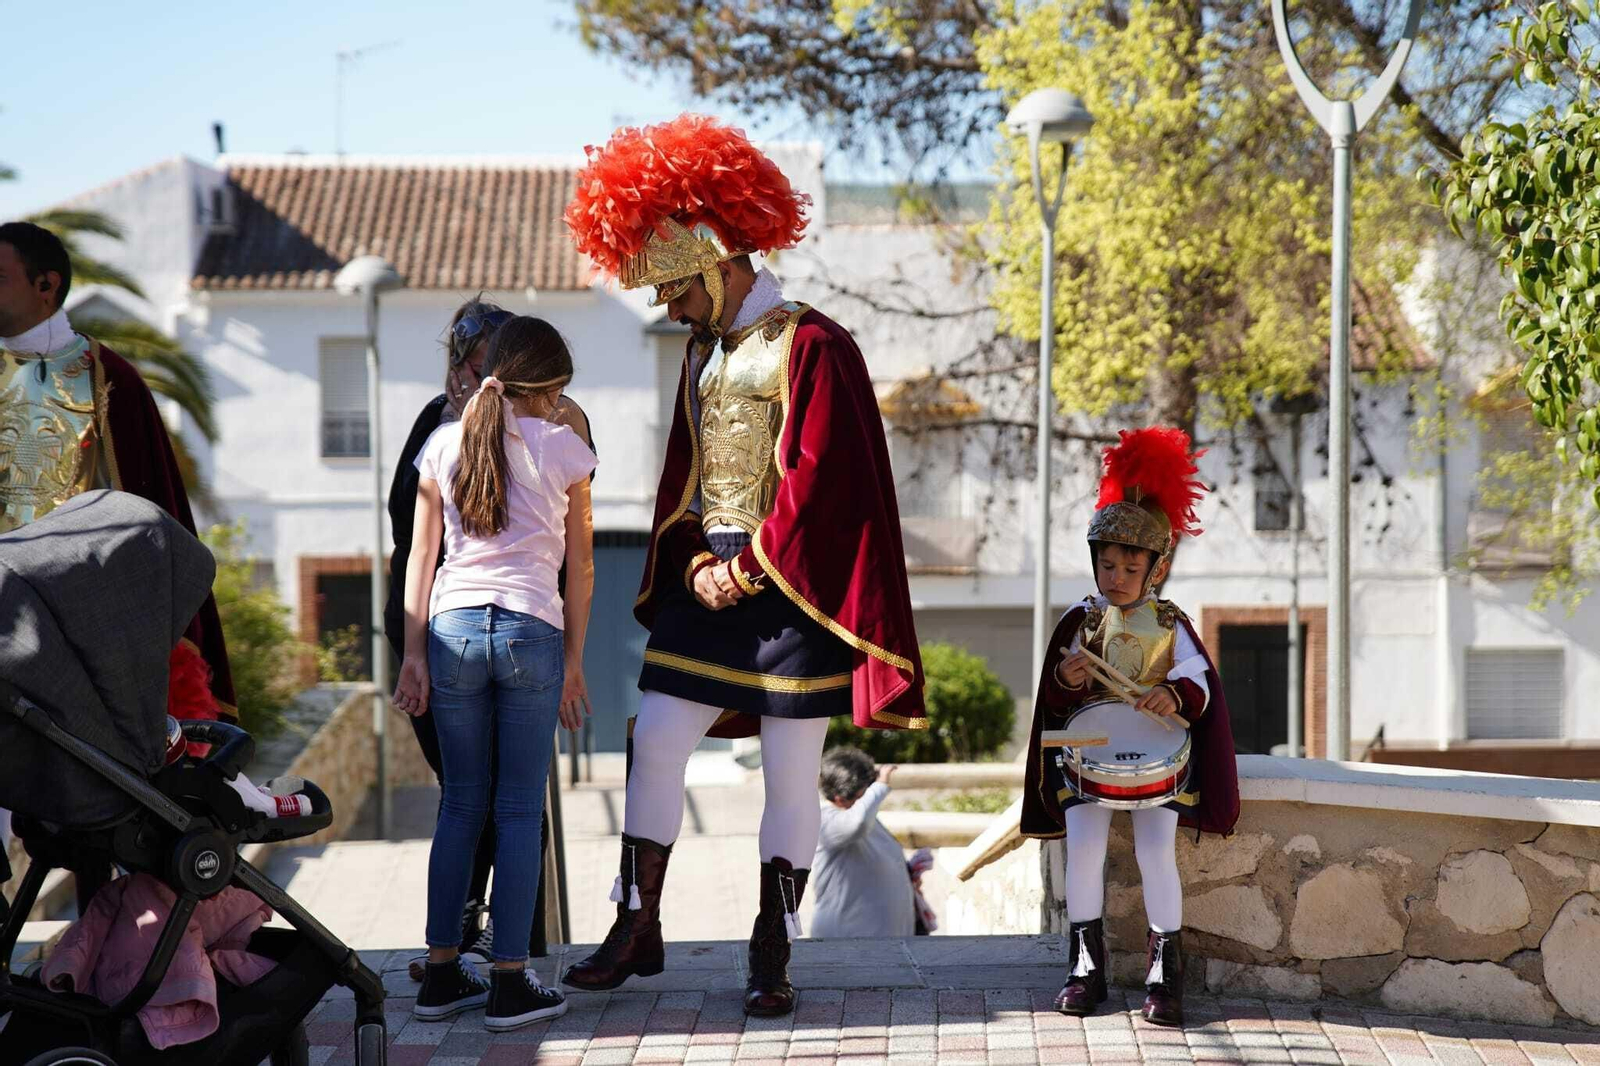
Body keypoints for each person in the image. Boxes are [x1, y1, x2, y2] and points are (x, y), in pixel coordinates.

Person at [560, 114, 927, 1017]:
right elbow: (685, 480)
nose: (667, 307)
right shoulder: (699, 353)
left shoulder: (816, 345)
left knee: (791, 769)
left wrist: (751, 569)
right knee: (655, 736)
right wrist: (691, 565)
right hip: (708, 586)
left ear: (716, 258)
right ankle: (637, 921)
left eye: (674, 288)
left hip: (787, 594)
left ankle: (772, 945)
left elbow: (819, 483)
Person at [1, 220, 236, 914]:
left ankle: (110, 938)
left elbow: (148, 518)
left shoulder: (111, 381)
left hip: (81, 639)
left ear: (47, 287)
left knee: (101, 798)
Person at [393, 316, 596, 1032]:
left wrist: (413, 655)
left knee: (459, 806)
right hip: (529, 632)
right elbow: (582, 567)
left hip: (449, 631)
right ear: (548, 388)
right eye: (560, 391)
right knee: (516, 812)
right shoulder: (566, 448)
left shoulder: (442, 442)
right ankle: (511, 981)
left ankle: (442, 975)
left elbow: (421, 559)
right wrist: (573, 664)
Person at [1020, 426, 1240, 1028]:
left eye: (1130, 565)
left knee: (1155, 857)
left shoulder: (1172, 624)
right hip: (1087, 759)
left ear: (1156, 567)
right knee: (1084, 855)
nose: (1116, 575)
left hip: (1159, 766)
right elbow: (1055, 698)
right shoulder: (1079, 620)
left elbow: (1201, 685)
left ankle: (1163, 980)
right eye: (1107, 563)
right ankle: (1084, 970)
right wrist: (1067, 678)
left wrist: (1174, 694)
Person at [811, 748, 917, 939]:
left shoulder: (863, 815)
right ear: (840, 798)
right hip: (844, 940)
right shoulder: (824, 819)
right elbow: (857, 824)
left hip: (882, 940)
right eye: (865, 792)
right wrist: (881, 785)